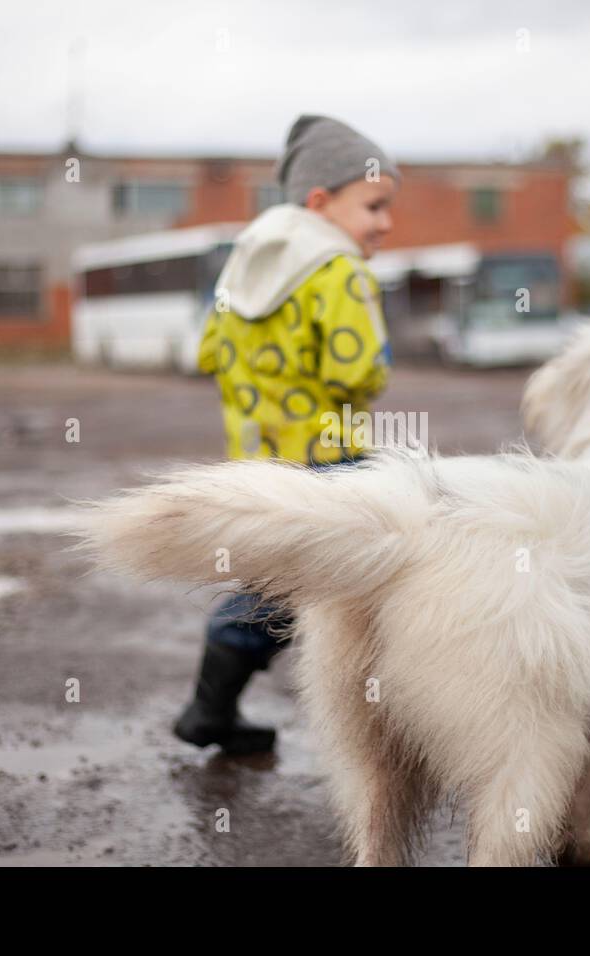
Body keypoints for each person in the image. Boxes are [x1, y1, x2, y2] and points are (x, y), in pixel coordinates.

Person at [173, 114, 399, 755]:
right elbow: (360, 371)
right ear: (321, 201)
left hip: (259, 469)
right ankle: (386, 727)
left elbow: (210, 354)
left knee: (278, 585)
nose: (386, 222)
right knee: (353, 588)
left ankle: (210, 709)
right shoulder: (339, 270)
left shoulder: (244, 270)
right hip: (333, 460)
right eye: (375, 205)